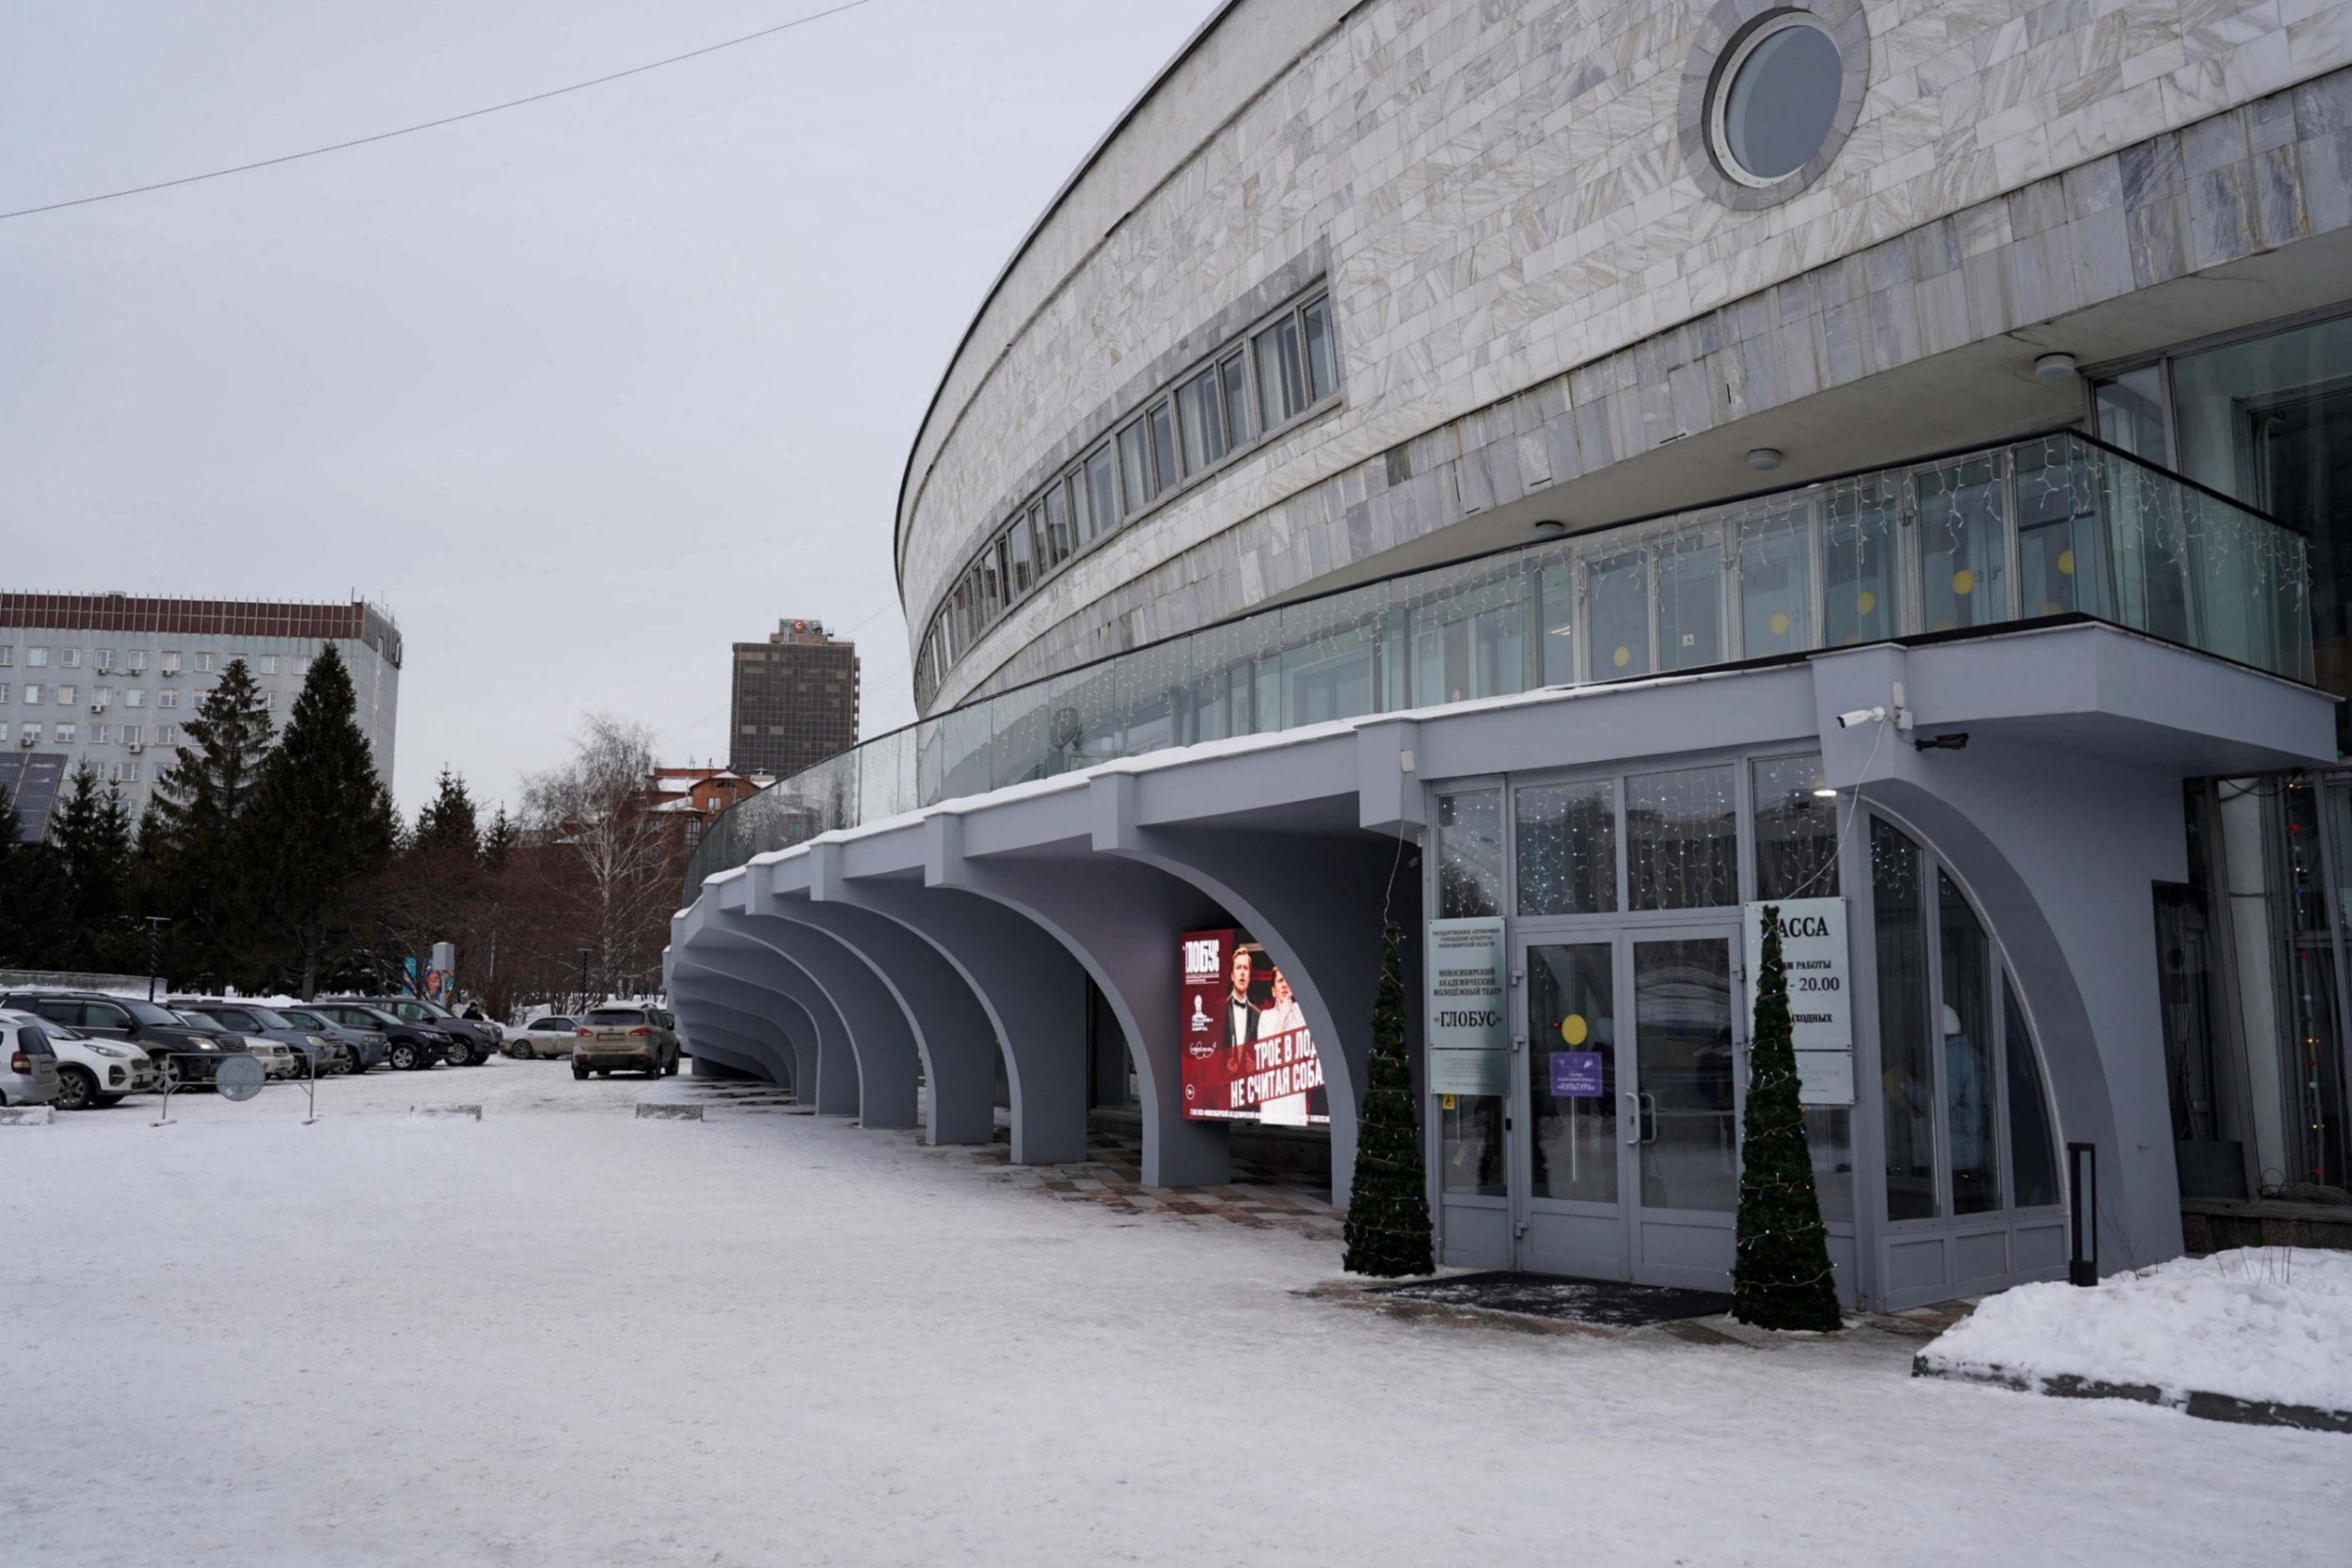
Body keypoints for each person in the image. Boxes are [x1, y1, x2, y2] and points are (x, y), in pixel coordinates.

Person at [1256, 967, 1312, 1127]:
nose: (1285, 985)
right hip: (1274, 1103)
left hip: (1295, 1103)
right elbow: (1271, 1054)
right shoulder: (1266, 1017)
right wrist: (1282, 1016)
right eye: (1280, 981)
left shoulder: (1301, 1013)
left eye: (1288, 981)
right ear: (1273, 991)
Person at [1220, 946, 1260, 1051]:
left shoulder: (1257, 1015)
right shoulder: (1219, 1009)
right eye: (1238, 968)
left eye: (1245, 968)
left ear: (1249, 977)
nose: (1242, 972)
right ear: (1232, 976)